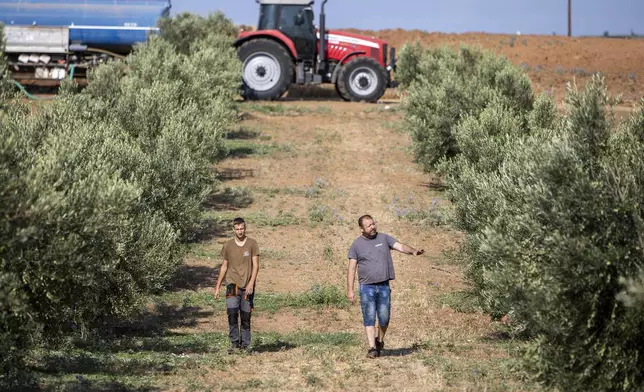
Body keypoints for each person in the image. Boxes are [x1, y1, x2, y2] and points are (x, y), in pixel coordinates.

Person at [347, 214, 424, 358]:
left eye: (373, 224)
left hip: (383, 286)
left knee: (384, 318)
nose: (373, 227)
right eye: (369, 225)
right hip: (366, 287)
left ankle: (379, 340)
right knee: (369, 316)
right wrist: (350, 290)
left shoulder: (384, 238)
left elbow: (400, 246)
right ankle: (371, 348)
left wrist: (413, 251)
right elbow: (351, 268)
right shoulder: (356, 244)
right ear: (361, 229)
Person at [214, 217, 260, 353]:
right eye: (237, 229)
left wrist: (251, 283)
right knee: (232, 313)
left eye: (242, 228)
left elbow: (256, 266)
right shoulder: (228, 245)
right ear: (233, 229)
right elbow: (224, 266)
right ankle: (234, 343)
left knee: (246, 316)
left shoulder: (252, 244)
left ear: (245, 228)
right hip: (232, 284)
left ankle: (245, 345)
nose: (240, 231)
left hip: (247, 285)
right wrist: (217, 286)